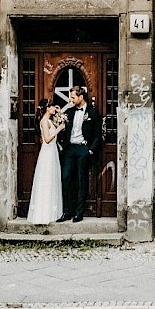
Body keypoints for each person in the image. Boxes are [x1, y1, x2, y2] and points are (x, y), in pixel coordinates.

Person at [57, 86, 103, 223]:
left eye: (73, 97)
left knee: (82, 181)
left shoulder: (92, 113)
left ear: (81, 97)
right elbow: (64, 132)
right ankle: (66, 212)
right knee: (66, 178)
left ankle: (79, 213)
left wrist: (90, 150)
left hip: (83, 149)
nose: (71, 100)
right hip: (70, 149)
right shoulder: (70, 113)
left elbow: (97, 135)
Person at [27, 99, 65, 224]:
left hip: (52, 152)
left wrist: (59, 114)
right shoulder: (44, 121)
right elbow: (47, 139)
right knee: (47, 180)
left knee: (52, 179)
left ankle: (53, 211)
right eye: (53, 106)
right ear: (47, 108)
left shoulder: (49, 120)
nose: (54, 108)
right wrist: (58, 129)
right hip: (47, 153)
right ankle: (44, 213)